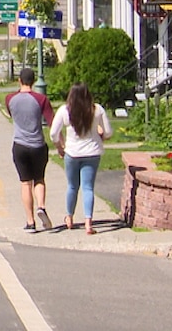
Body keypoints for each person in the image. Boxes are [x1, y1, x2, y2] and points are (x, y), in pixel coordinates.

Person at [50, 83, 113, 235]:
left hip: (72, 153)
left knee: (72, 186)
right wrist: (101, 135)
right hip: (92, 153)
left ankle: (69, 217)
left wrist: (60, 146)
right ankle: (88, 223)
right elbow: (109, 132)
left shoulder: (65, 110)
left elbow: (53, 133)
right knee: (88, 187)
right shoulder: (97, 109)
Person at [5, 68, 55, 232]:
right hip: (38, 146)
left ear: (19, 80)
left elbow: (12, 115)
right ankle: (41, 206)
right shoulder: (41, 99)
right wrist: (60, 145)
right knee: (39, 179)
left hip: (19, 146)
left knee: (25, 183)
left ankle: (30, 221)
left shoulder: (10, 99)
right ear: (34, 82)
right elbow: (51, 122)